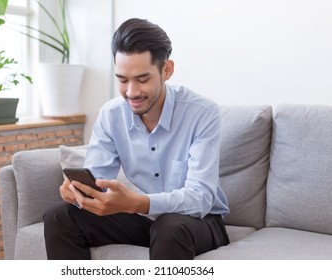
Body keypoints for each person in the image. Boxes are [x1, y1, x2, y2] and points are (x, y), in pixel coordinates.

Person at [43, 18, 230, 260]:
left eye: (143, 80)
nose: (131, 92)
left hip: (199, 221)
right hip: (144, 220)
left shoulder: (202, 113)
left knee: (170, 228)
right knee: (60, 216)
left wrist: (137, 203)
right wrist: (79, 194)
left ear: (167, 70)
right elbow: (98, 180)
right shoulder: (111, 115)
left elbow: (201, 197)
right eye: (122, 80)